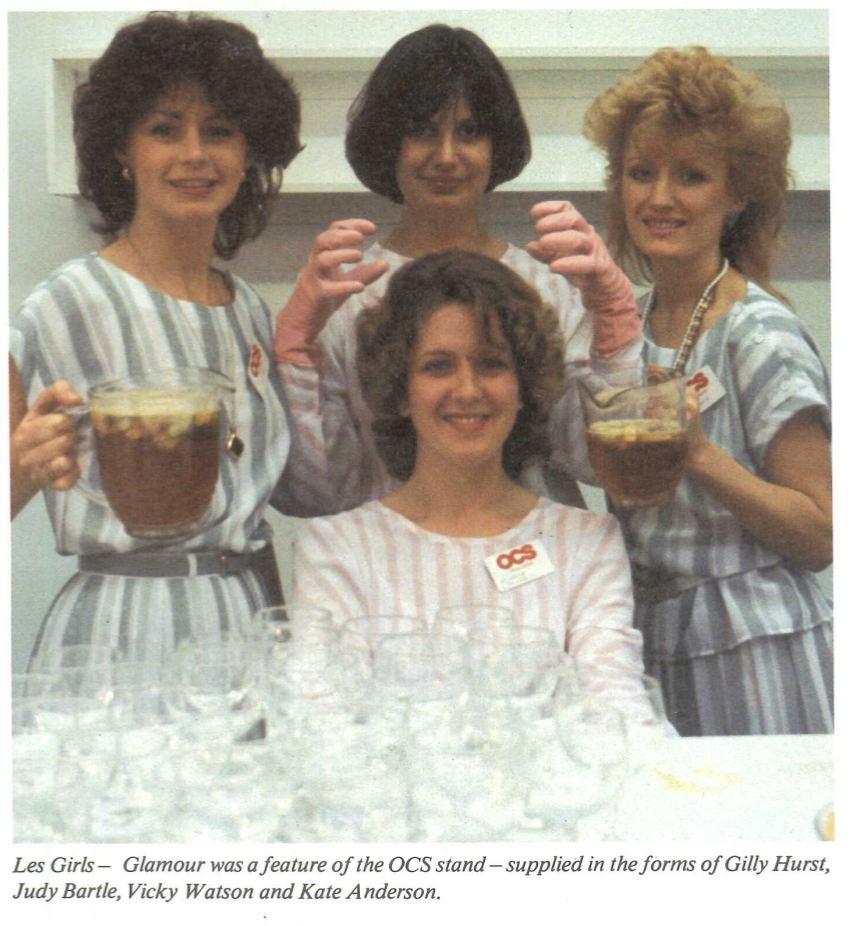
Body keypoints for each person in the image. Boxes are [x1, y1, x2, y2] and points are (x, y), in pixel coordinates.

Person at [9, 12, 310, 667]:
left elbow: (273, 501)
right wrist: (19, 469)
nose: (195, 153)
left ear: (249, 151)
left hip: (249, 626)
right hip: (120, 635)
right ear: (121, 149)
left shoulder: (250, 312)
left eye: (220, 130)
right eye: (164, 129)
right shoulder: (65, 304)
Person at [274, 23, 642, 515]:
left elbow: (598, 464)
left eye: (469, 132)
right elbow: (315, 493)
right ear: (389, 140)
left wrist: (614, 326)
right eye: (423, 131)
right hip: (394, 572)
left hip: (540, 571)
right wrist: (296, 350)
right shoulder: (347, 293)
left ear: (497, 143)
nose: (446, 156)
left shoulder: (551, 284)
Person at [582, 46, 833, 735]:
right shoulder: (618, 325)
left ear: (738, 192)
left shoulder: (760, 334)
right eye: (641, 172)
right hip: (648, 644)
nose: (658, 198)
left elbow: (822, 534)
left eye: (690, 175)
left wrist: (700, 454)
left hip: (755, 646)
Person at [290, 250, 648, 705]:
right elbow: (326, 722)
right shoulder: (336, 547)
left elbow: (618, 707)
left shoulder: (586, 541)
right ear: (401, 389)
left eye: (491, 364)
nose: (467, 390)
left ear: (525, 385)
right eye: (438, 366)